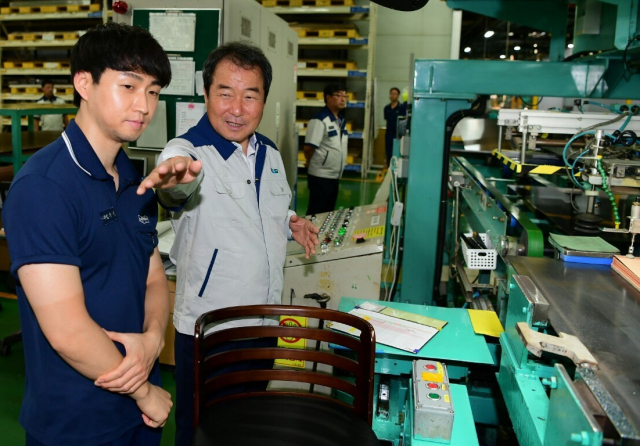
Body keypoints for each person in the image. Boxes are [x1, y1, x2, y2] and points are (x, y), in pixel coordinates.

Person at [136, 41, 320, 446]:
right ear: (206, 95)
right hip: (212, 330)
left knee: (249, 426)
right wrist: (175, 178)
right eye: (225, 93)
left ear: (264, 100)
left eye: (249, 95)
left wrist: (292, 224)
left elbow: (271, 208)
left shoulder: (269, 153)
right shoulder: (188, 152)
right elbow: (176, 185)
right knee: (202, 431)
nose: (236, 108)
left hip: (266, 320)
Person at [3, 22, 173, 446]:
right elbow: (67, 330)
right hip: (77, 423)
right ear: (84, 83)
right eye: (129, 86)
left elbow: (153, 278)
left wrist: (153, 340)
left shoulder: (133, 178)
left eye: (153, 91)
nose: (144, 105)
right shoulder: (44, 187)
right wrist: (145, 391)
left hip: (138, 416)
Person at [303, 83, 349, 215]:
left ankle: (322, 236)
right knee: (316, 213)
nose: (343, 99)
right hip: (320, 176)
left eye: (345, 96)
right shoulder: (319, 120)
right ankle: (309, 236)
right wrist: (310, 162)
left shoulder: (340, 120)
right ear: (328, 98)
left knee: (328, 213)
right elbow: (308, 148)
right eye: (338, 95)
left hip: (334, 176)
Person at [383, 87, 407, 167]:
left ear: (398, 95)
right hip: (388, 135)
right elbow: (386, 118)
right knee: (389, 154)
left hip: (397, 135)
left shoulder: (402, 108)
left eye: (394, 94)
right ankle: (389, 171)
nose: (392, 96)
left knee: (397, 154)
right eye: (391, 94)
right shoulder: (386, 108)